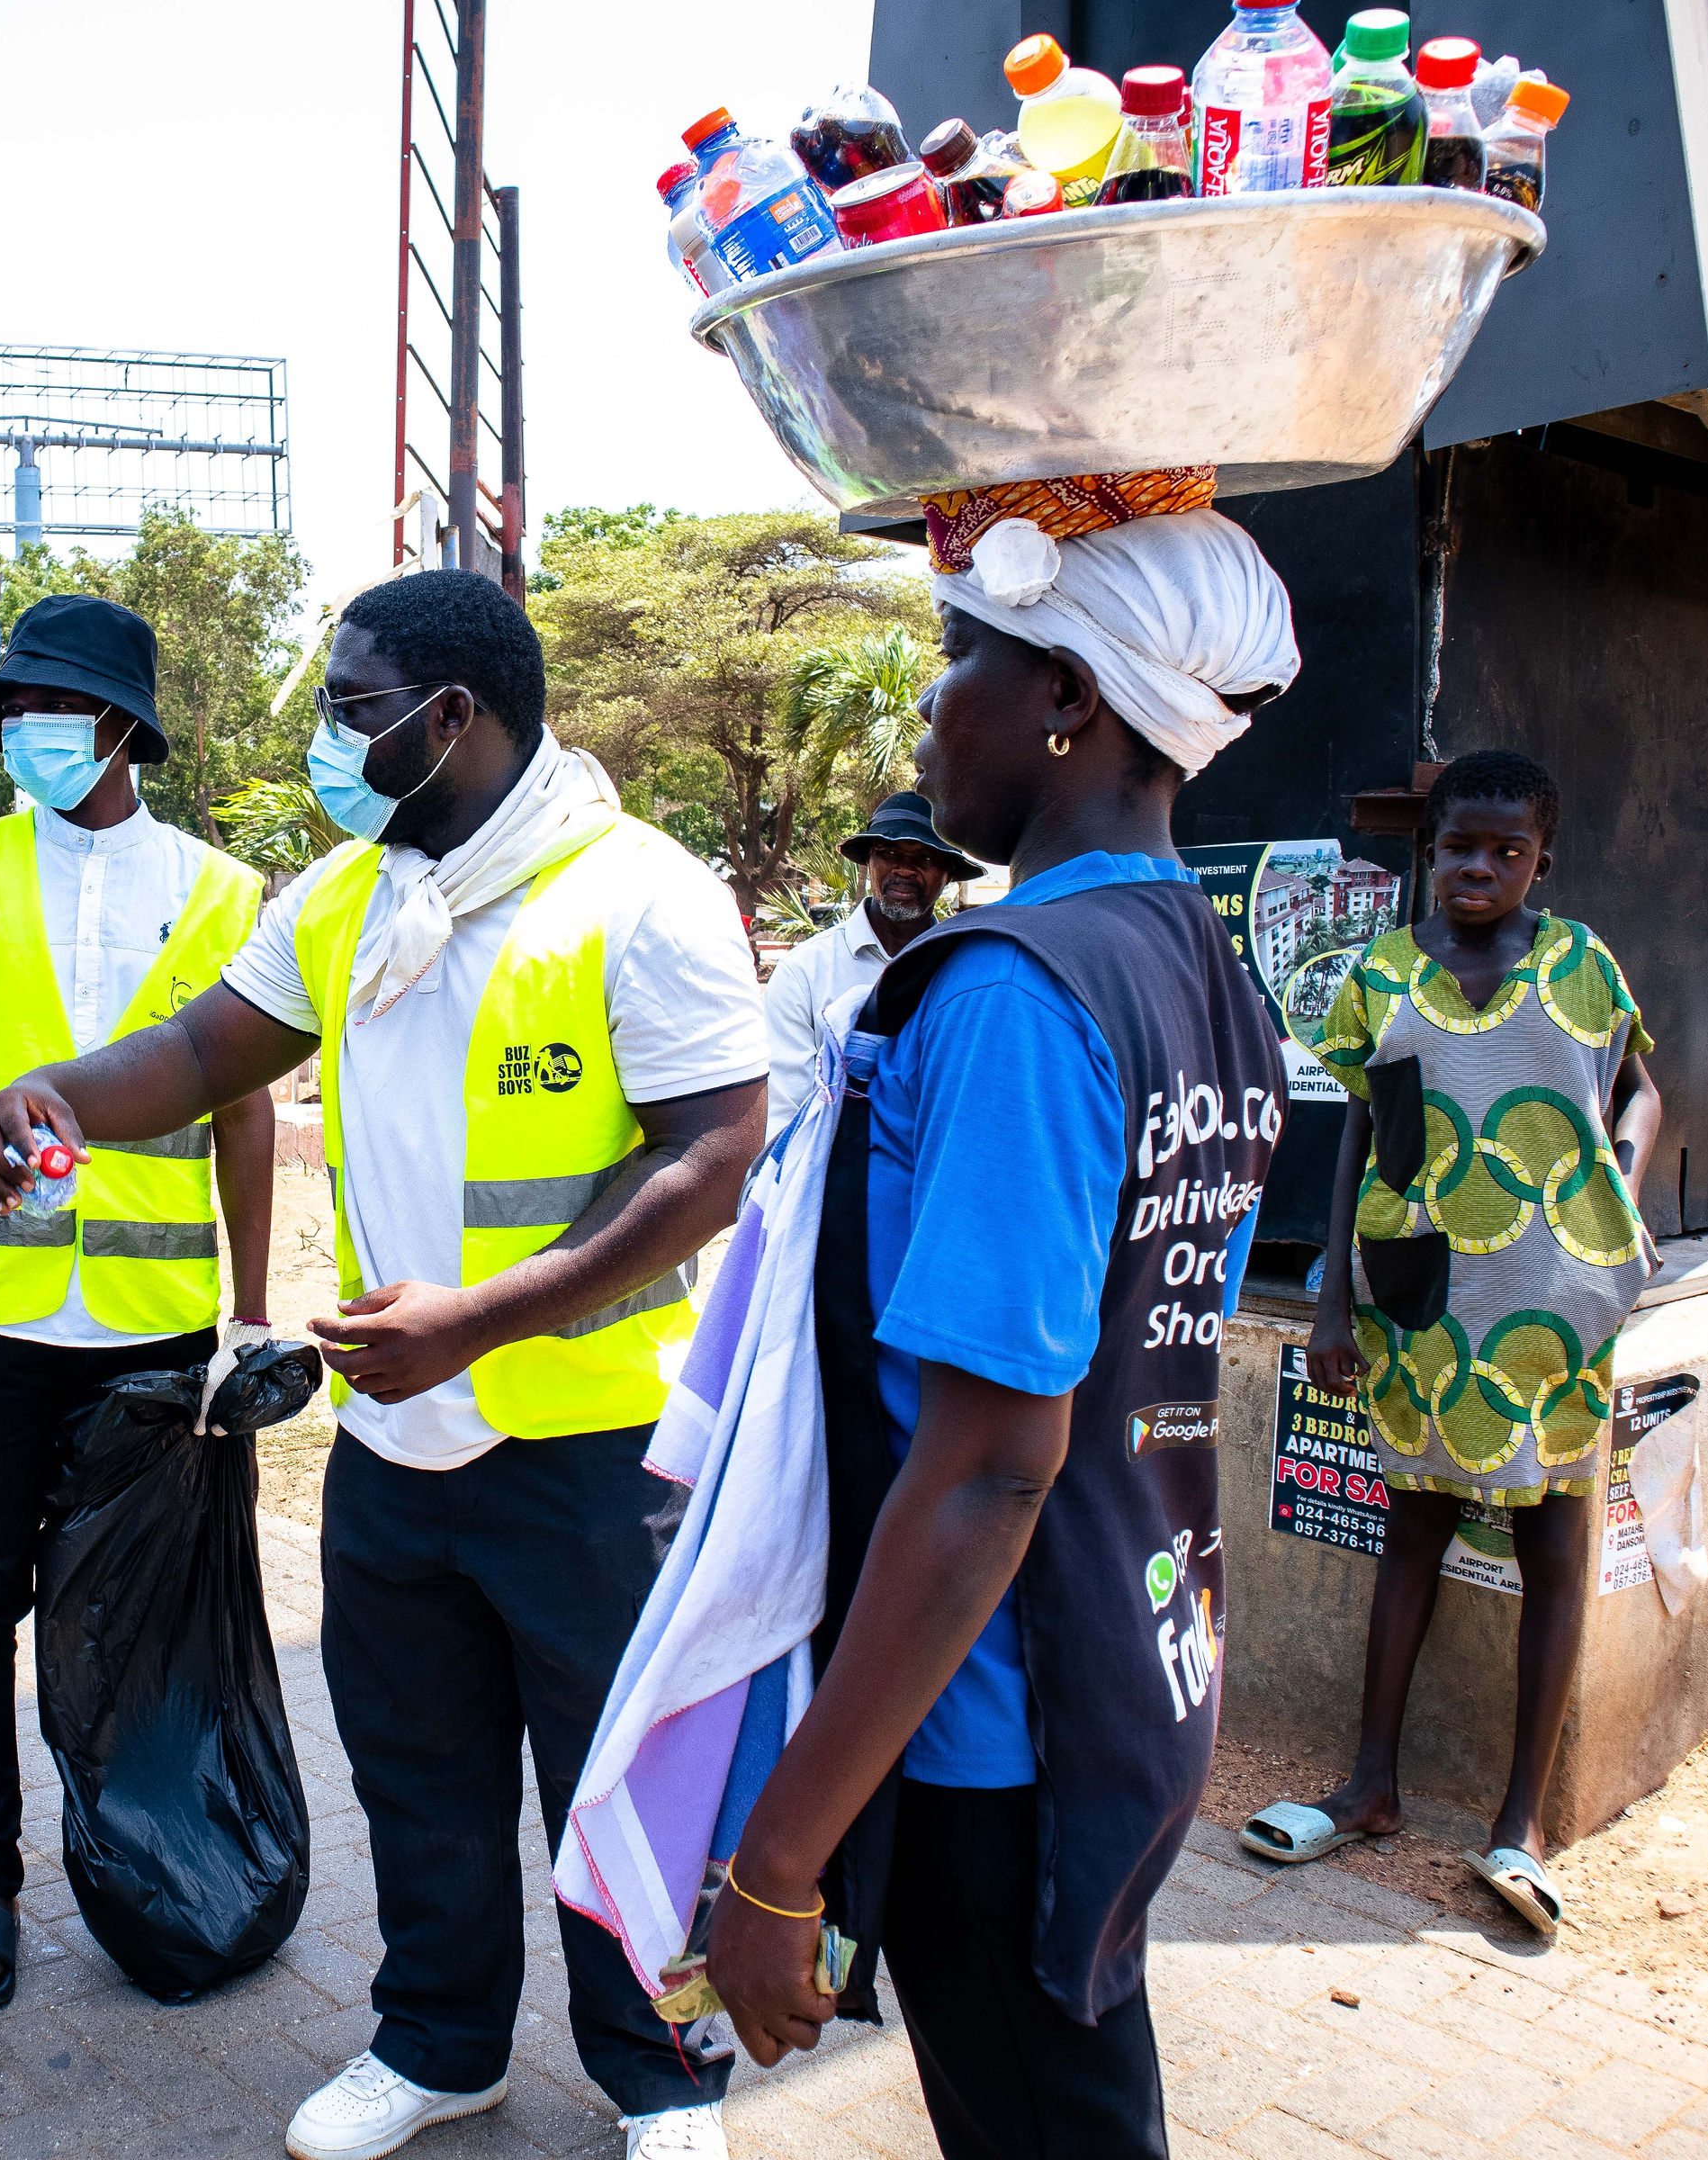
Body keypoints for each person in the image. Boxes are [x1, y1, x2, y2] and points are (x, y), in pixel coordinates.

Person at [0, 570, 768, 2160]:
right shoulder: (348, 896)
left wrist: (484, 1318)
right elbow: (208, 1050)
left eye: (351, 706)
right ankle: (439, 2046)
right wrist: (59, 1093)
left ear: (451, 716)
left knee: (613, 1780)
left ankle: (664, 2081)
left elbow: (713, 1156)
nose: (327, 737)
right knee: (417, 1766)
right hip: (399, 1446)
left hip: (595, 1448)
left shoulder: (638, 894)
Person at [697, 491, 1299, 2160]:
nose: (927, 699)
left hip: (993, 1728)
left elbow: (987, 1469)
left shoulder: (1018, 994)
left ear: (1067, 699)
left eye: (958, 653)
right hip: (1131, 1649)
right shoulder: (1198, 962)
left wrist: (779, 1862)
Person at [0, 593, 278, 2013]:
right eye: (15, 710)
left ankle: (155, 1865)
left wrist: (253, 1316)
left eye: (53, 707)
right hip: (2, 1320)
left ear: (118, 724)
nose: (26, 730)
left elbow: (244, 1110)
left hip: (158, 1326)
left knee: (139, 1618)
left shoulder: (223, 891)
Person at [1245, 750, 1660, 1941]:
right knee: (1413, 1530)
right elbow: (1359, 1136)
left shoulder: (1583, 965)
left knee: (1554, 1546)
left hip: (1556, 1301)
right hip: (1423, 1298)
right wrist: (1332, 1301)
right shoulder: (1381, 973)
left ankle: (1520, 1823)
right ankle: (1369, 1786)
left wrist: (1624, 1201)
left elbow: (1643, 1090)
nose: (1478, 867)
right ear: (1431, 850)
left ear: (1542, 860)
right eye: (1458, 847)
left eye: (1504, 850)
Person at [761, 793, 980, 1138]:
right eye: (888, 854)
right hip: (830, 1166)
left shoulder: (969, 972)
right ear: (868, 861)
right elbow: (785, 1115)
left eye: (925, 858)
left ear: (949, 873)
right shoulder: (804, 973)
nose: (904, 869)